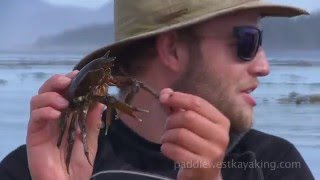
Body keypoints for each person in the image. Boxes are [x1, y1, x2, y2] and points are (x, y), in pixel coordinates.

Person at [0, 0, 315, 179]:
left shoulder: (274, 165)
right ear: (173, 50)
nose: (264, 65)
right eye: (248, 42)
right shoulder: (38, 165)